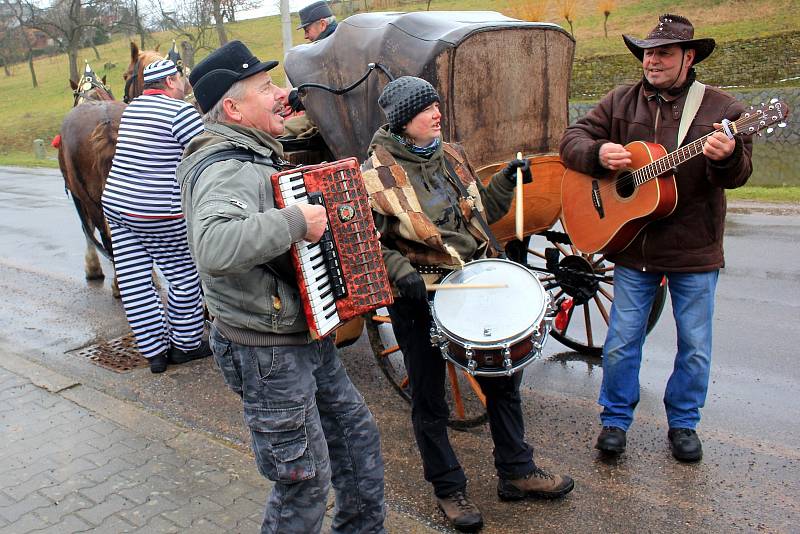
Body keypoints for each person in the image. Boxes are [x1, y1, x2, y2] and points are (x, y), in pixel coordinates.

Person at [176, 40, 386, 534]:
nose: (280, 93)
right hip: (266, 352)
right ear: (233, 107)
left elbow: (279, 235)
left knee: (357, 442)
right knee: (303, 482)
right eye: (266, 87)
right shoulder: (224, 168)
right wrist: (296, 220)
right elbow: (213, 245)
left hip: (302, 333)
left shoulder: (251, 151)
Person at [361, 76, 574, 533]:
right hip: (420, 295)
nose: (437, 114)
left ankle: (517, 472)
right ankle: (447, 486)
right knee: (429, 398)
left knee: (502, 379)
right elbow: (366, 243)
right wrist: (397, 270)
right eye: (426, 109)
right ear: (402, 122)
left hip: (470, 280)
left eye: (437, 106)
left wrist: (505, 183)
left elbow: (479, 216)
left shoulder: (450, 154)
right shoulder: (373, 175)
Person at [559, 14, 753, 463]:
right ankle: (614, 421)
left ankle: (684, 424)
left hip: (694, 248)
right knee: (623, 340)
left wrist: (726, 158)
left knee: (695, 346)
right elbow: (572, 138)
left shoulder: (723, 110)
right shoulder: (621, 101)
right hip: (634, 247)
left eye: (663, 52)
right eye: (647, 52)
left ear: (689, 57)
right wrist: (597, 153)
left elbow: (739, 175)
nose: (653, 60)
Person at [101, 58, 210, 374]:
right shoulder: (180, 113)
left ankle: (155, 354)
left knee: (135, 281)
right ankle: (186, 346)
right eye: (181, 78)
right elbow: (205, 152)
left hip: (117, 206)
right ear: (172, 81)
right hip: (160, 213)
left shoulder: (132, 108)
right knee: (184, 274)